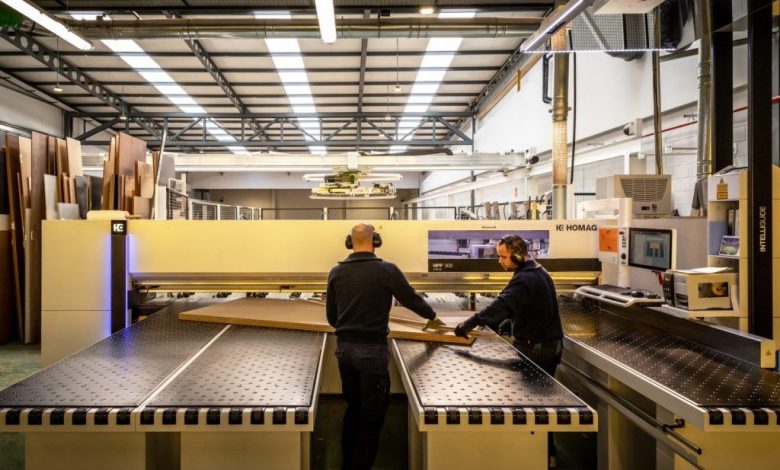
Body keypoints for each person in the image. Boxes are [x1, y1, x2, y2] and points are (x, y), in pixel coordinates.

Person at [326, 223, 444, 470]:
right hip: (372, 352)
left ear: (349, 242)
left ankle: (347, 464)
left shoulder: (336, 272)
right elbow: (411, 299)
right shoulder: (387, 270)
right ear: (376, 241)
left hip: (344, 351)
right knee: (372, 416)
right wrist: (433, 317)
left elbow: (332, 317)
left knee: (354, 409)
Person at [454, 234, 563, 469]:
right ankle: (547, 455)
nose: (499, 261)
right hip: (546, 345)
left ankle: (537, 456)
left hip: (537, 348)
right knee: (541, 404)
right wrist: (507, 324)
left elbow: (502, 304)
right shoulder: (535, 271)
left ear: (517, 256)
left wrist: (468, 324)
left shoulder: (526, 278)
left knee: (534, 405)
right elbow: (521, 306)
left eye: (502, 257)